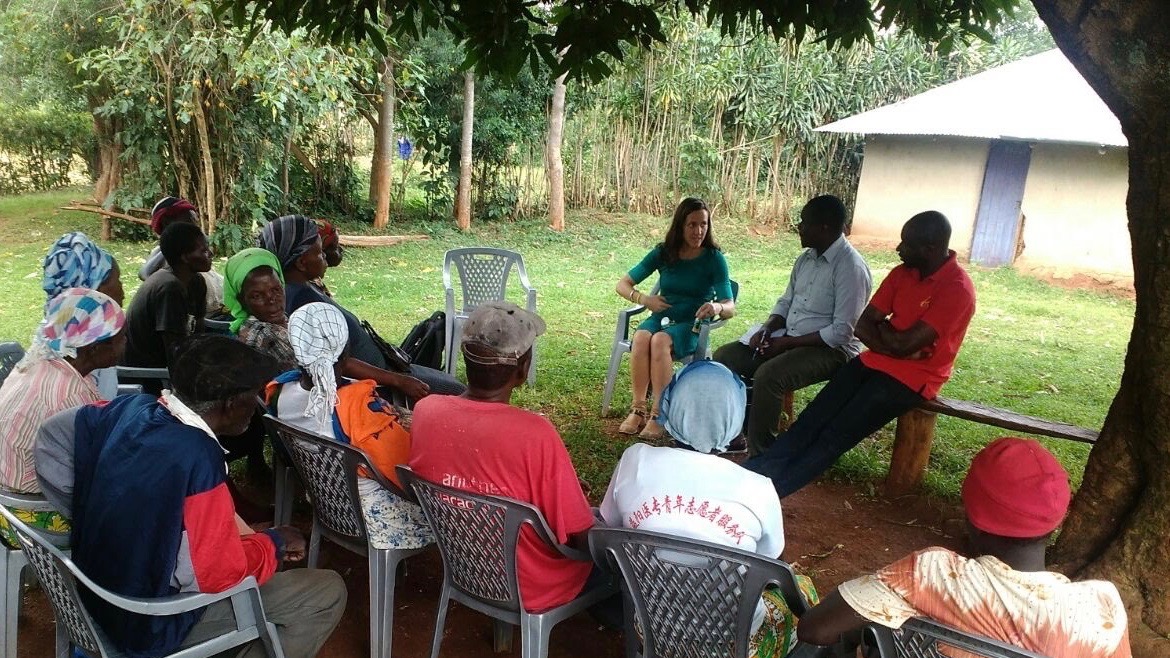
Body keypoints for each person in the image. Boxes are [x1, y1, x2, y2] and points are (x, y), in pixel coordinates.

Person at [34, 335, 346, 658]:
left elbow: (50, 438)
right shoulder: (198, 456)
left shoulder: (131, 409)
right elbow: (216, 575)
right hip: (148, 624)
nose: (256, 405)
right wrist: (274, 545)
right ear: (230, 403)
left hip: (92, 597)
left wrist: (89, 504)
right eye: (253, 395)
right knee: (327, 592)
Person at [798, 437, 1132, 658]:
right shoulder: (1105, 608)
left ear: (972, 515)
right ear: (1058, 520)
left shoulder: (931, 574)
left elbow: (816, 628)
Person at [744, 211, 976, 498]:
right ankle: (754, 475)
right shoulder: (901, 274)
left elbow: (898, 341)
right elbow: (864, 325)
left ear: (929, 250)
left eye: (907, 244)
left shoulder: (957, 289)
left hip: (913, 379)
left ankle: (768, 493)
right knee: (811, 420)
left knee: (834, 436)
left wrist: (890, 335)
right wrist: (896, 343)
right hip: (871, 362)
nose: (898, 249)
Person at [601, 359, 817, 657]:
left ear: (669, 406)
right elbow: (771, 566)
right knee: (803, 588)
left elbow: (610, 524)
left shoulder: (636, 460)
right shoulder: (758, 487)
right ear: (736, 417)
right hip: (734, 641)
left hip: (649, 622)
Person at [409, 301, 603, 614]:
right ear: (523, 370)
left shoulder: (425, 411)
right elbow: (578, 537)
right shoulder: (534, 434)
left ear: (464, 356)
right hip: (533, 586)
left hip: (465, 567)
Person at [712, 195, 871, 456]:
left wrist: (786, 343)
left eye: (804, 222)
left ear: (825, 227)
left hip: (832, 350)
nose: (799, 227)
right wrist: (767, 328)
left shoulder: (850, 267)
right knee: (725, 357)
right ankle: (737, 434)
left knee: (770, 376)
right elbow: (786, 302)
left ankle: (762, 454)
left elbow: (843, 331)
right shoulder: (806, 259)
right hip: (790, 337)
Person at [267, 302, 432, 550]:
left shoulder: (278, 391)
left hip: (327, 503)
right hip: (373, 518)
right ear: (346, 353)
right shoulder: (356, 405)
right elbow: (402, 467)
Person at [257, 214, 464, 401]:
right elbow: (339, 364)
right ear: (302, 263)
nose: (326, 258)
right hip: (378, 388)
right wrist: (398, 381)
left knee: (453, 385)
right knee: (459, 393)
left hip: (387, 372)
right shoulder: (304, 302)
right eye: (320, 253)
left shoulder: (303, 288)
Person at [0, 289, 125, 546]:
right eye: (122, 338)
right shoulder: (70, 396)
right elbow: (93, 471)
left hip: (8, 502)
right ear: (94, 348)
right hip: (34, 512)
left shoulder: (37, 365)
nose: (127, 343)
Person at [614, 197, 736, 439]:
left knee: (659, 341)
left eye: (703, 224)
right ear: (680, 225)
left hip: (691, 323)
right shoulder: (665, 252)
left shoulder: (714, 258)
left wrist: (716, 307)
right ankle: (638, 408)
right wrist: (644, 300)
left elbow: (730, 305)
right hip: (662, 316)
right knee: (641, 337)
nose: (698, 231)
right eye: (692, 224)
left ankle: (660, 413)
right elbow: (622, 284)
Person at [41, 231, 126, 399]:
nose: (122, 291)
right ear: (95, 291)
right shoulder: (89, 347)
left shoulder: (55, 328)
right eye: (118, 280)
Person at [122, 221, 212, 370]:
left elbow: (198, 332)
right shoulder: (169, 288)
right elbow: (174, 351)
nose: (210, 254)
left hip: (176, 362)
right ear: (185, 257)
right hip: (148, 374)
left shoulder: (196, 281)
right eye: (203, 251)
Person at [142, 196, 226, 313]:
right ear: (167, 222)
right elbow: (144, 273)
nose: (194, 226)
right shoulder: (165, 263)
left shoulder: (195, 254)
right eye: (188, 220)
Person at [224, 247, 296, 371]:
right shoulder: (259, 336)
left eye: (276, 290)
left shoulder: (284, 321)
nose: (271, 300)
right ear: (241, 300)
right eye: (257, 296)